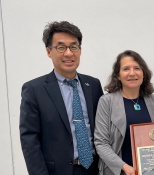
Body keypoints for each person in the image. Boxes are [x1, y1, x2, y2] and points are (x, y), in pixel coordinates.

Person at [20, 21, 103, 175]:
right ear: (48, 51)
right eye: (60, 47)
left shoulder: (93, 85)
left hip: (94, 169)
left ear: (80, 50)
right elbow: (29, 140)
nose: (68, 53)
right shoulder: (34, 89)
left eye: (73, 46)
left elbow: (106, 127)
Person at [94, 50, 154, 175]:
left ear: (143, 73)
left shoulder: (152, 100)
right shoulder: (106, 101)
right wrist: (124, 167)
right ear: (118, 75)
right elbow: (101, 143)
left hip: (149, 171)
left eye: (137, 68)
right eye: (126, 69)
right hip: (118, 171)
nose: (132, 73)